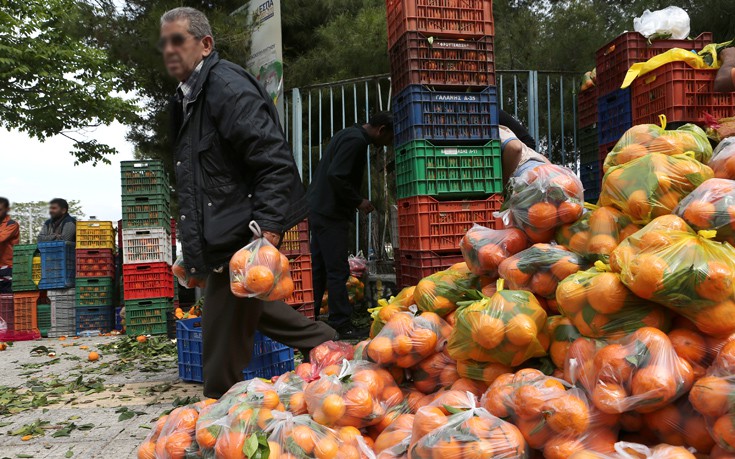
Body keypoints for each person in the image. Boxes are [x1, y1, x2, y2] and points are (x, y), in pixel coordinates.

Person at [160, 7, 335, 398]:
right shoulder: (186, 99)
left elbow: (273, 161)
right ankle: (336, 350)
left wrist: (266, 236)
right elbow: (198, 182)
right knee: (261, 311)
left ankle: (219, 422)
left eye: (178, 41)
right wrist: (194, 252)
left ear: (205, 45)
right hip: (223, 239)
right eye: (165, 43)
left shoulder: (225, 86)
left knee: (219, 358)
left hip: (243, 238)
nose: (169, 50)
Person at [307, 112, 394, 339]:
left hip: (320, 208)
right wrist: (358, 200)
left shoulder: (349, 134)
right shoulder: (356, 141)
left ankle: (309, 319)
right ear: (382, 129)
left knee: (319, 267)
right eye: (389, 138)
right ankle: (341, 324)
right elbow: (337, 175)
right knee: (337, 269)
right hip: (330, 212)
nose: (387, 144)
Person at [498, 113, 550, 186]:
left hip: (526, 173)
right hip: (547, 169)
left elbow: (515, 148)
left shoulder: (495, 131)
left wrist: (504, 182)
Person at [0, 198, 20, 294]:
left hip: (8, 266)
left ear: (7, 209)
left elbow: (1, 238)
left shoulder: (12, 224)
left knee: (7, 297)